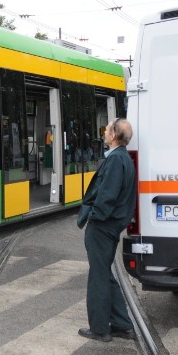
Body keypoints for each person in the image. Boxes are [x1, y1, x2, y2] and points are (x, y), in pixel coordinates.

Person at [76, 118, 137, 342]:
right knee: (104, 274)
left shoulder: (116, 160)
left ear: (113, 135)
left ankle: (100, 328)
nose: (105, 131)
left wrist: (94, 217)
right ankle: (123, 325)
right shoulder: (123, 159)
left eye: (108, 128)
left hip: (103, 227)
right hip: (110, 226)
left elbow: (107, 196)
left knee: (98, 276)